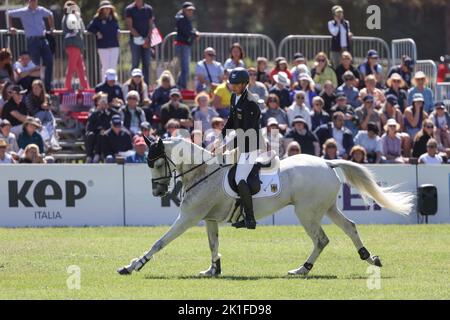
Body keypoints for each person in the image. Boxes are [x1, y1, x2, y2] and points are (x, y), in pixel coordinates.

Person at [214, 68, 262, 230]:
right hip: (240, 143)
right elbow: (231, 122)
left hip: (251, 146)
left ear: (244, 84)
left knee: (240, 177)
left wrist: (227, 145)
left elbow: (246, 132)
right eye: (232, 84)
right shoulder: (234, 97)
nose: (233, 87)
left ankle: (250, 218)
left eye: (236, 84)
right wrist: (219, 139)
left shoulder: (251, 102)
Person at [8, 0, 55, 92]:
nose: (33, 2)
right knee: (35, 66)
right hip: (32, 41)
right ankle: (36, 89)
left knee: (49, 62)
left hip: (43, 39)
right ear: (28, 1)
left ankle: (47, 88)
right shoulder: (23, 11)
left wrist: (52, 28)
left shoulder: (41, 10)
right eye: (31, 0)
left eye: (35, 0)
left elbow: (50, 14)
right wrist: (10, 27)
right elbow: (9, 14)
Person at [87, 1, 121, 79]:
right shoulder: (97, 19)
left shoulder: (114, 18)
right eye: (105, 8)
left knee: (113, 66)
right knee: (105, 67)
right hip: (103, 46)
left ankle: (114, 84)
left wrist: (118, 31)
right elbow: (89, 28)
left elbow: (117, 27)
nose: (107, 10)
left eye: (108, 8)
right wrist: (97, 32)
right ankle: (104, 84)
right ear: (101, 9)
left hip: (114, 45)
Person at [125, 0, 154, 85]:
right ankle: (132, 85)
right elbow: (130, 26)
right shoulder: (129, 9)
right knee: (135, 64)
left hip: (147, 40)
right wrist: (142, 40)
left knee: (146, 64)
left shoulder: (149, 9)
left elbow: (151, 25)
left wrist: (147, 39)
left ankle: (146, 86)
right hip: (135, 41)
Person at [24, 79, 59, 151]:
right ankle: (52, 143)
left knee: (49, 120)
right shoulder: (29, 97)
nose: (34, 90)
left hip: (46, 118)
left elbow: (52, 107)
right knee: (46, 114)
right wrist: (41, 107)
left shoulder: (46, 97)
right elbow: (31, 111)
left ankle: (51, 143)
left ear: (41, 88)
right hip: (34, 118)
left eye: (36, 88)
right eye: (33, 88)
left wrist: (48, 107)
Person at [62, 1, 89, 90]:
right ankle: (67, 86)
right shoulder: (70, 17)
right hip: (73, 45)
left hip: (76, 45)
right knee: (71, 67)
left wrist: (79, 17)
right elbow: (75, 29)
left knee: (81, 68)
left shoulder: (73, 16)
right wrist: (78, 17)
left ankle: (85, 87)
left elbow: (82, 28)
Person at [85, 92, 119, 163]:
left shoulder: (110, 112)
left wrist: (108, 109)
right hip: (95, 131)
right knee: (90, 135)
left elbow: (115, 116)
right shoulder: (94, 112)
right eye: (102, 101)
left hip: (106, 132)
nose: (103, 103)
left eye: (105, 101)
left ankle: (97, 155)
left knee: (102, 135)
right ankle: (89, 156)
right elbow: (90, 125)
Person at [174, 2, 199, 89]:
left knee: (184, 68)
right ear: (184, 10)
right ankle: (182, 87)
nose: (191, 12)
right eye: (189, 10)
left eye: (192, 10)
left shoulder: (185, 19)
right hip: (182, 46)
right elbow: (187, 32)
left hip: (184, 45)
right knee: (184, 68)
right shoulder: (181, 18)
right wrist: (195, 34)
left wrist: (194, 32)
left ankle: (180, 86)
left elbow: (189, 30)